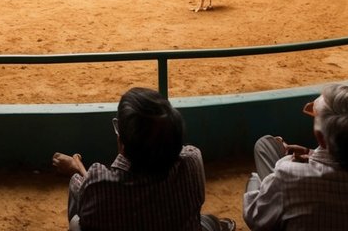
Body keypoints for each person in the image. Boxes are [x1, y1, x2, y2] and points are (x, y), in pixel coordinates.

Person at [53, 87, 235, 231]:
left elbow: (94, 190)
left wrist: (78, 168)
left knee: (77, 220)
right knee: (208, 221)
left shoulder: (96, 182)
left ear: (122, 139)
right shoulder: (192, 162)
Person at [242, 84, 348, 230]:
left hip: (287, 183)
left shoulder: (288, 175)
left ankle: (258, 185)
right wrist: (314, 155)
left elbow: (254, 218)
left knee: (262, 157)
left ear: (321, 138)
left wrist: (286, 163)